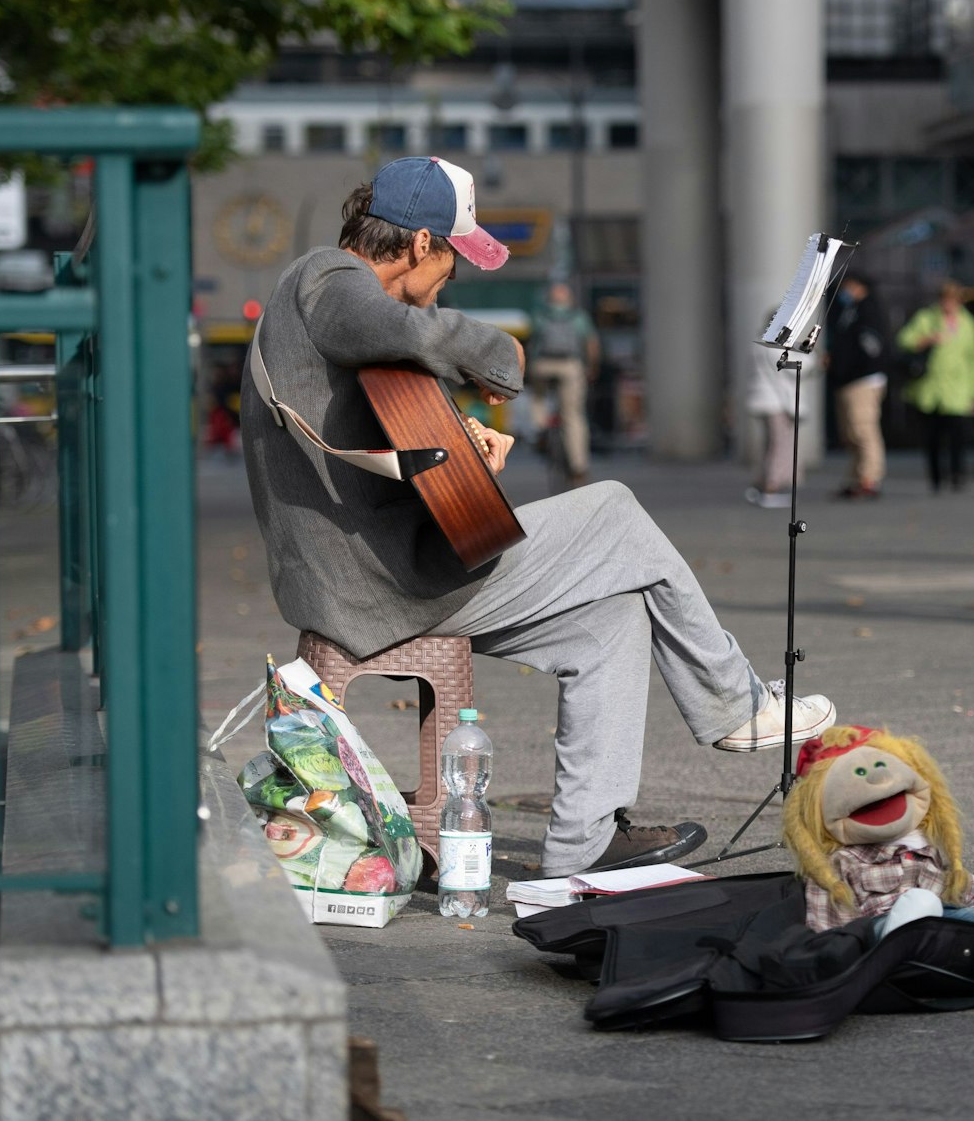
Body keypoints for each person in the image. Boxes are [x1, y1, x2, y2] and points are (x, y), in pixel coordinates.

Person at [242, 156, 839, 879]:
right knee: (615, 510)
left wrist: (455, 436)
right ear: (422, 245)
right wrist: (500, 356)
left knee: (613, 617)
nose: (449, 285)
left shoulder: (315, 300)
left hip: (370, 572)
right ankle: (733, 704)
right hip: (385, 583)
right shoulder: (326, 280)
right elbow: (393, 325)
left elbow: (373, 410)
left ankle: (581, 844)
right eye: (454, 265)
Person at [897, 281, 974, 494]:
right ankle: (937, 477)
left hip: (958, 387)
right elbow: (904, 340)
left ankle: (958, 475)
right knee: (933, 437)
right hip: (930, 388)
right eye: (945, 300)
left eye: (953, 300)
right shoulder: (926, 318)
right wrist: (927, 339)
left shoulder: (968, 323)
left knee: (958, 435)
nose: (948, 304)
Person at [526, 280, 598, 485]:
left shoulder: (541, 315)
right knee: (573, 415)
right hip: (570, 366)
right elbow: (591, 344)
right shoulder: (579, 317)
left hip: (542, 366)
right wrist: (592, 368)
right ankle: (579, 466)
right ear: (569, 298)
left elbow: (533, 343)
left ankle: (539, 430)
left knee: (538, 398)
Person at [824, 274, 889, 500]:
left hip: (863, 379)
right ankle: (857, 477)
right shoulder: (850, 311)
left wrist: (846, 363)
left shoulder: (869, 311)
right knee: (851, 433)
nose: (845, 292)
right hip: (848, 379)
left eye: (849, 287)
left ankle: (869, 478)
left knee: (864, 429)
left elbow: (871, 348)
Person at [745, 304, 807, 509]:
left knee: (770, 445)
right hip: (776, 403)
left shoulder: (761, 340)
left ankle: (761, 485)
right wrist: (809, 354)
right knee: (779, 446)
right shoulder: (775, 344)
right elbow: (795, 367)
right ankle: (771, 487)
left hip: (764, 401)